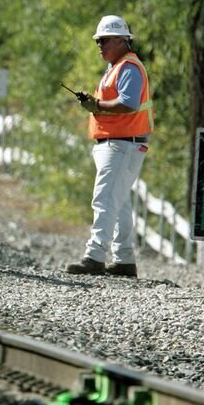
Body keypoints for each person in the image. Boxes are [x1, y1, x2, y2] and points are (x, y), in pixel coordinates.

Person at [65, 15, 152, 278]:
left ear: (120, 40)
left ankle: (94, 256)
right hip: (120, 144)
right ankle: (124, 259)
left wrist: (97, 105)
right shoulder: (118, 67)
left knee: (104, 200)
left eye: (104, 40)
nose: (99, 45)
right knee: (119, 202)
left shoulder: (128, 68)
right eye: (98, 41)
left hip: (122, 145)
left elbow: (129, 103)